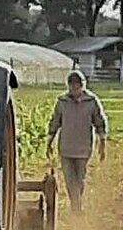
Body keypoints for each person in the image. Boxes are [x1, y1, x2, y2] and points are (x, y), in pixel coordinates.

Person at [46, 70, 109, 214]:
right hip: (66, 148)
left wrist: (102, 144)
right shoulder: (62, 102)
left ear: (83, 86)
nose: (75, 89)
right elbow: (55, 122)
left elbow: (100, 123)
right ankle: (75, 205)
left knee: (80, 179)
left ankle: (77, 204)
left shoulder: (91, 102)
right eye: (72, 86)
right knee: (69, 180)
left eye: (77, 86)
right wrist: (49, 141)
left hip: (83, 148)